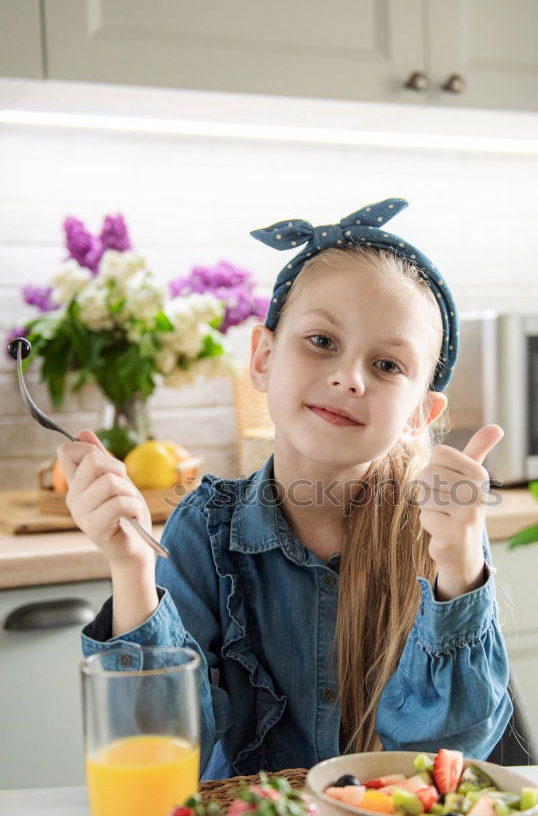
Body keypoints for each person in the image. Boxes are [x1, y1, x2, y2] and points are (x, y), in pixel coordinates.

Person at [59, 197, 512, 781]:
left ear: (419, 414)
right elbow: (162, 758)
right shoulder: (204, 529)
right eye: (322, 341)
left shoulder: (444, 529)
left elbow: (447, 762)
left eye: (387, 366)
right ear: (263, 358)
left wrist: (457, 567)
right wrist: (130, 570)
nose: (348, 377)